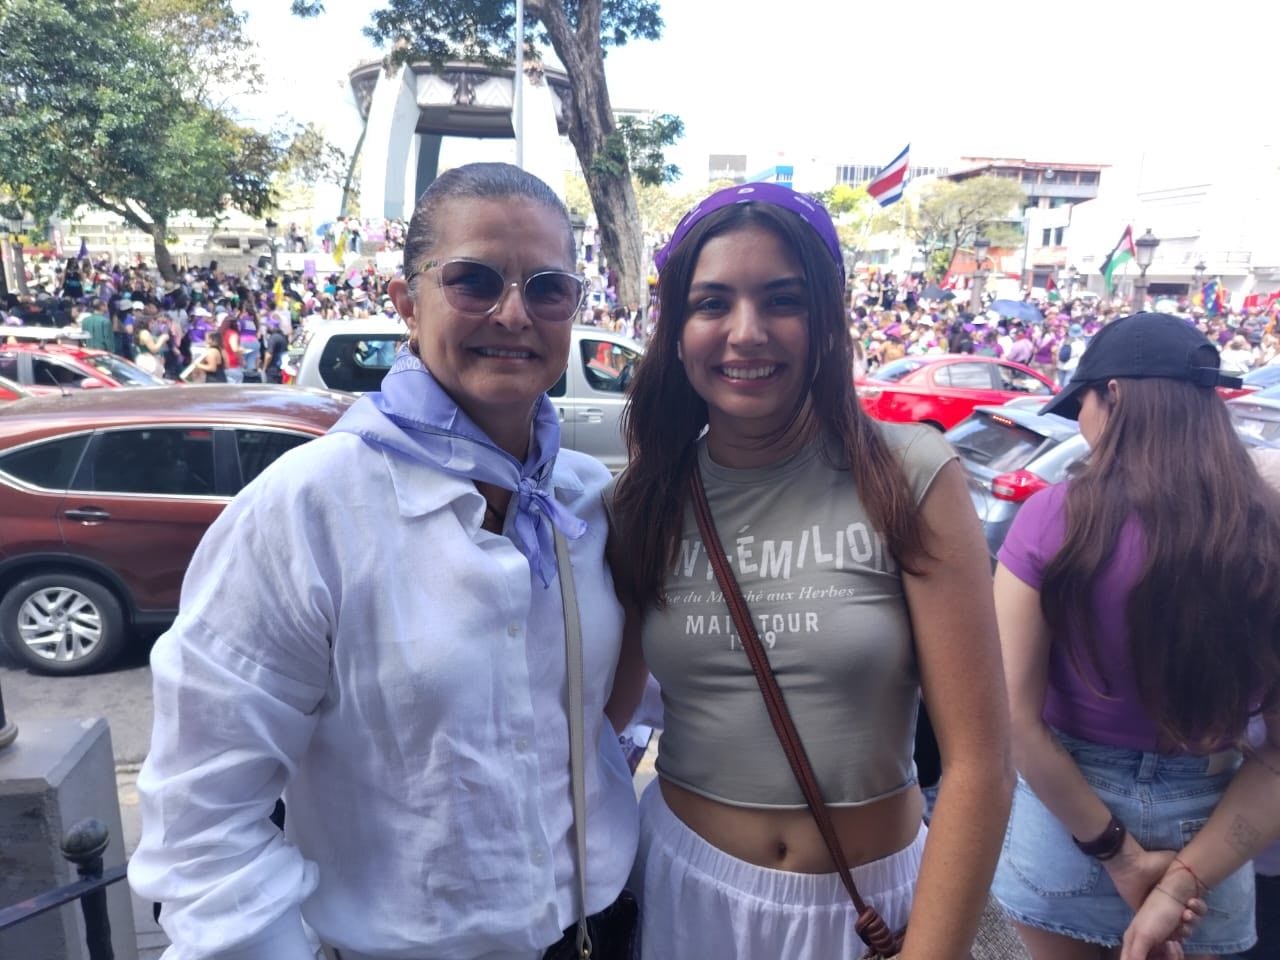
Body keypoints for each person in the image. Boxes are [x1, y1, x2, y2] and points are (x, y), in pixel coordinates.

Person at [128, 162, 639, 960]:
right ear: (406, 302)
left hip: (595, 931)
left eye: (548, 288)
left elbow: (606, 719)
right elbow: (203, 819)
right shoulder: (309, 509)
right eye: (474, 281)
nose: (514, 314)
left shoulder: (581, 497)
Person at [607, 183, 1012, 959]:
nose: (746, 333)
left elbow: (981, 766)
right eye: (712, 302)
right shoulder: (642, 500)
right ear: (677, 327)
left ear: (826, 320)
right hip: (681, 890)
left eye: (782, 300)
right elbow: (605, 719)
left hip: (867, 911)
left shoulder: (910, 474)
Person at [991, 313, 1280, 960]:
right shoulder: (1268, 533)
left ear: (1113, 396)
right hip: (1214, 833)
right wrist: (1181, 885)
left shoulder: (1052, 519)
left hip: (1067, 827)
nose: (1082, 427)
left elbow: (1011, 716)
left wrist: (1119, 856)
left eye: (1083, 405)